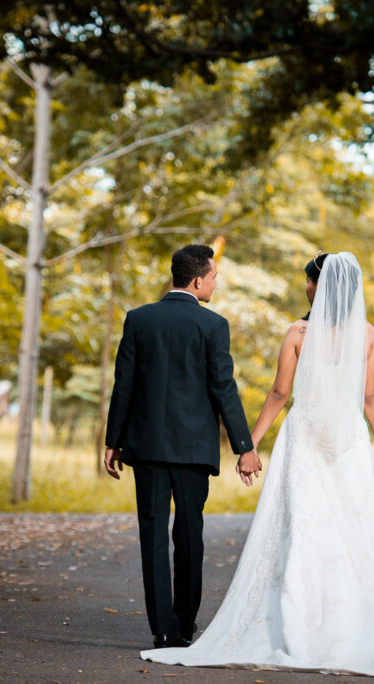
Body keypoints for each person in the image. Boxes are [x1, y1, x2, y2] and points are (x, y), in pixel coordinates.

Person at [140, 252, 374, 679]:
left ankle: (295, 622)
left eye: (310, 281)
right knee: (350, 530)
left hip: (305, 439)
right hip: (347, 442)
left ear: (319, 286)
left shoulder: (298, 332)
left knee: (302, 528)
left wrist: (249, 444)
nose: (307, 287)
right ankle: (350, 627)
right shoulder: (365, 334)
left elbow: (278, 393)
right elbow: (370, 398)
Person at [103, 244, 262, 649]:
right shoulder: (213, 325)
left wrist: (113, 441)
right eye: (212, 277)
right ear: (196, 280)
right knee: (190, 535)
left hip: (147, 448)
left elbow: (125, 385)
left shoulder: (138, 319)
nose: (214, 283)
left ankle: (162, 629)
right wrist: (243, 446)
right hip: (193, 451)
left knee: (153, 533)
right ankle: (185, 627)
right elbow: (222, 387)